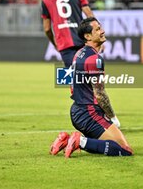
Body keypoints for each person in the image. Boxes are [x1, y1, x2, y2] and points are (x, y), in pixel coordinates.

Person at [49, 17, 133, 158]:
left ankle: (65, 140)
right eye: (98, 29)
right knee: (124, 150)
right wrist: (112, 117)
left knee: (104, 143)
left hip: (78, 110)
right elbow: (100, 94)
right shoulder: (95, 59)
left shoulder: (79, 53)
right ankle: (79, 141)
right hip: (89, 113)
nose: (103, 31)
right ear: (87, 36)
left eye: (101, 27)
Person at [41, 0, 94, 68]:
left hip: (64, 44)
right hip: (83, 40)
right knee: (90, 76)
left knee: (73, 78)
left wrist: (55, 44)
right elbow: (90, 17)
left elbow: (47, 29)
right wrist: (95, 38)